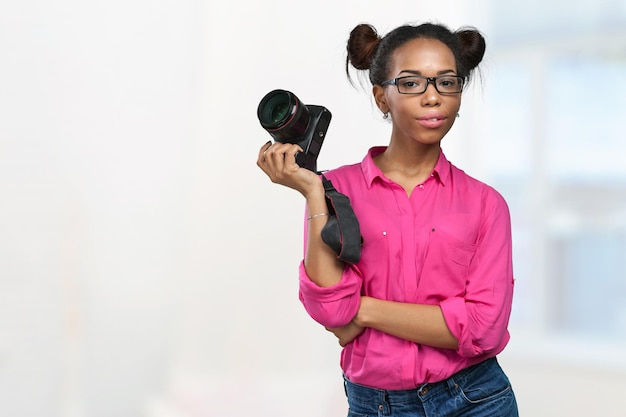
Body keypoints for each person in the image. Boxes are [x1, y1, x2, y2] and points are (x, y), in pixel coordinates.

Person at [257, 21, 518, 417]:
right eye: (411, 84)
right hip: (375, 404)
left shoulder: (486, 204)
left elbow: (483, 329)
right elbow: (330, 310)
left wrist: (362, 309)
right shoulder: (334, 190)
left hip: (475, 399)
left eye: (447, 83)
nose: (433, 98)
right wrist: (312, 193)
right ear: (381, 97)